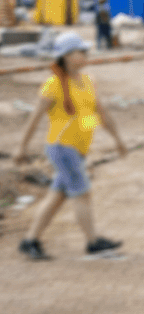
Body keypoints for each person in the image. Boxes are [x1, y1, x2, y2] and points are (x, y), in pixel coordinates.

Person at [14, 32, 129, 260]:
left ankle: (30, 240)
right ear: (66, 56)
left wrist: (117, 139)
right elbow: (35, 117)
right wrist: (21, 147)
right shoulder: (53, 84)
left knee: (56, 197)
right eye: (80, 51)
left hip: (78, 148)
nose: (85, 55)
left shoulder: (87, 81)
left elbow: (99, 112)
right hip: (62, 147)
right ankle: (92, 242)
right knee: (82, 193)